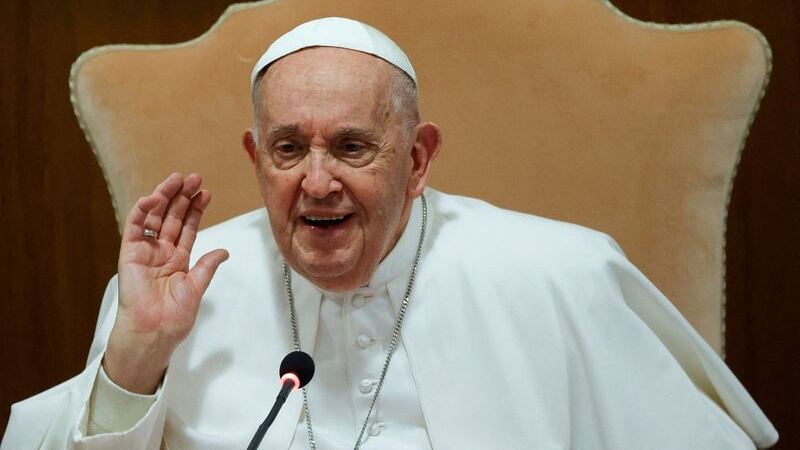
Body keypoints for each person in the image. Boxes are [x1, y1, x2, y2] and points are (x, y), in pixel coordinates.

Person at [2, 17, 778, 450]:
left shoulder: (560, 275)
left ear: (417, 158)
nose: (315, 182)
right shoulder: (176, 295)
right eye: (287, 148)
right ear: (255, 157)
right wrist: (136, 358)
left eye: (351, 147)